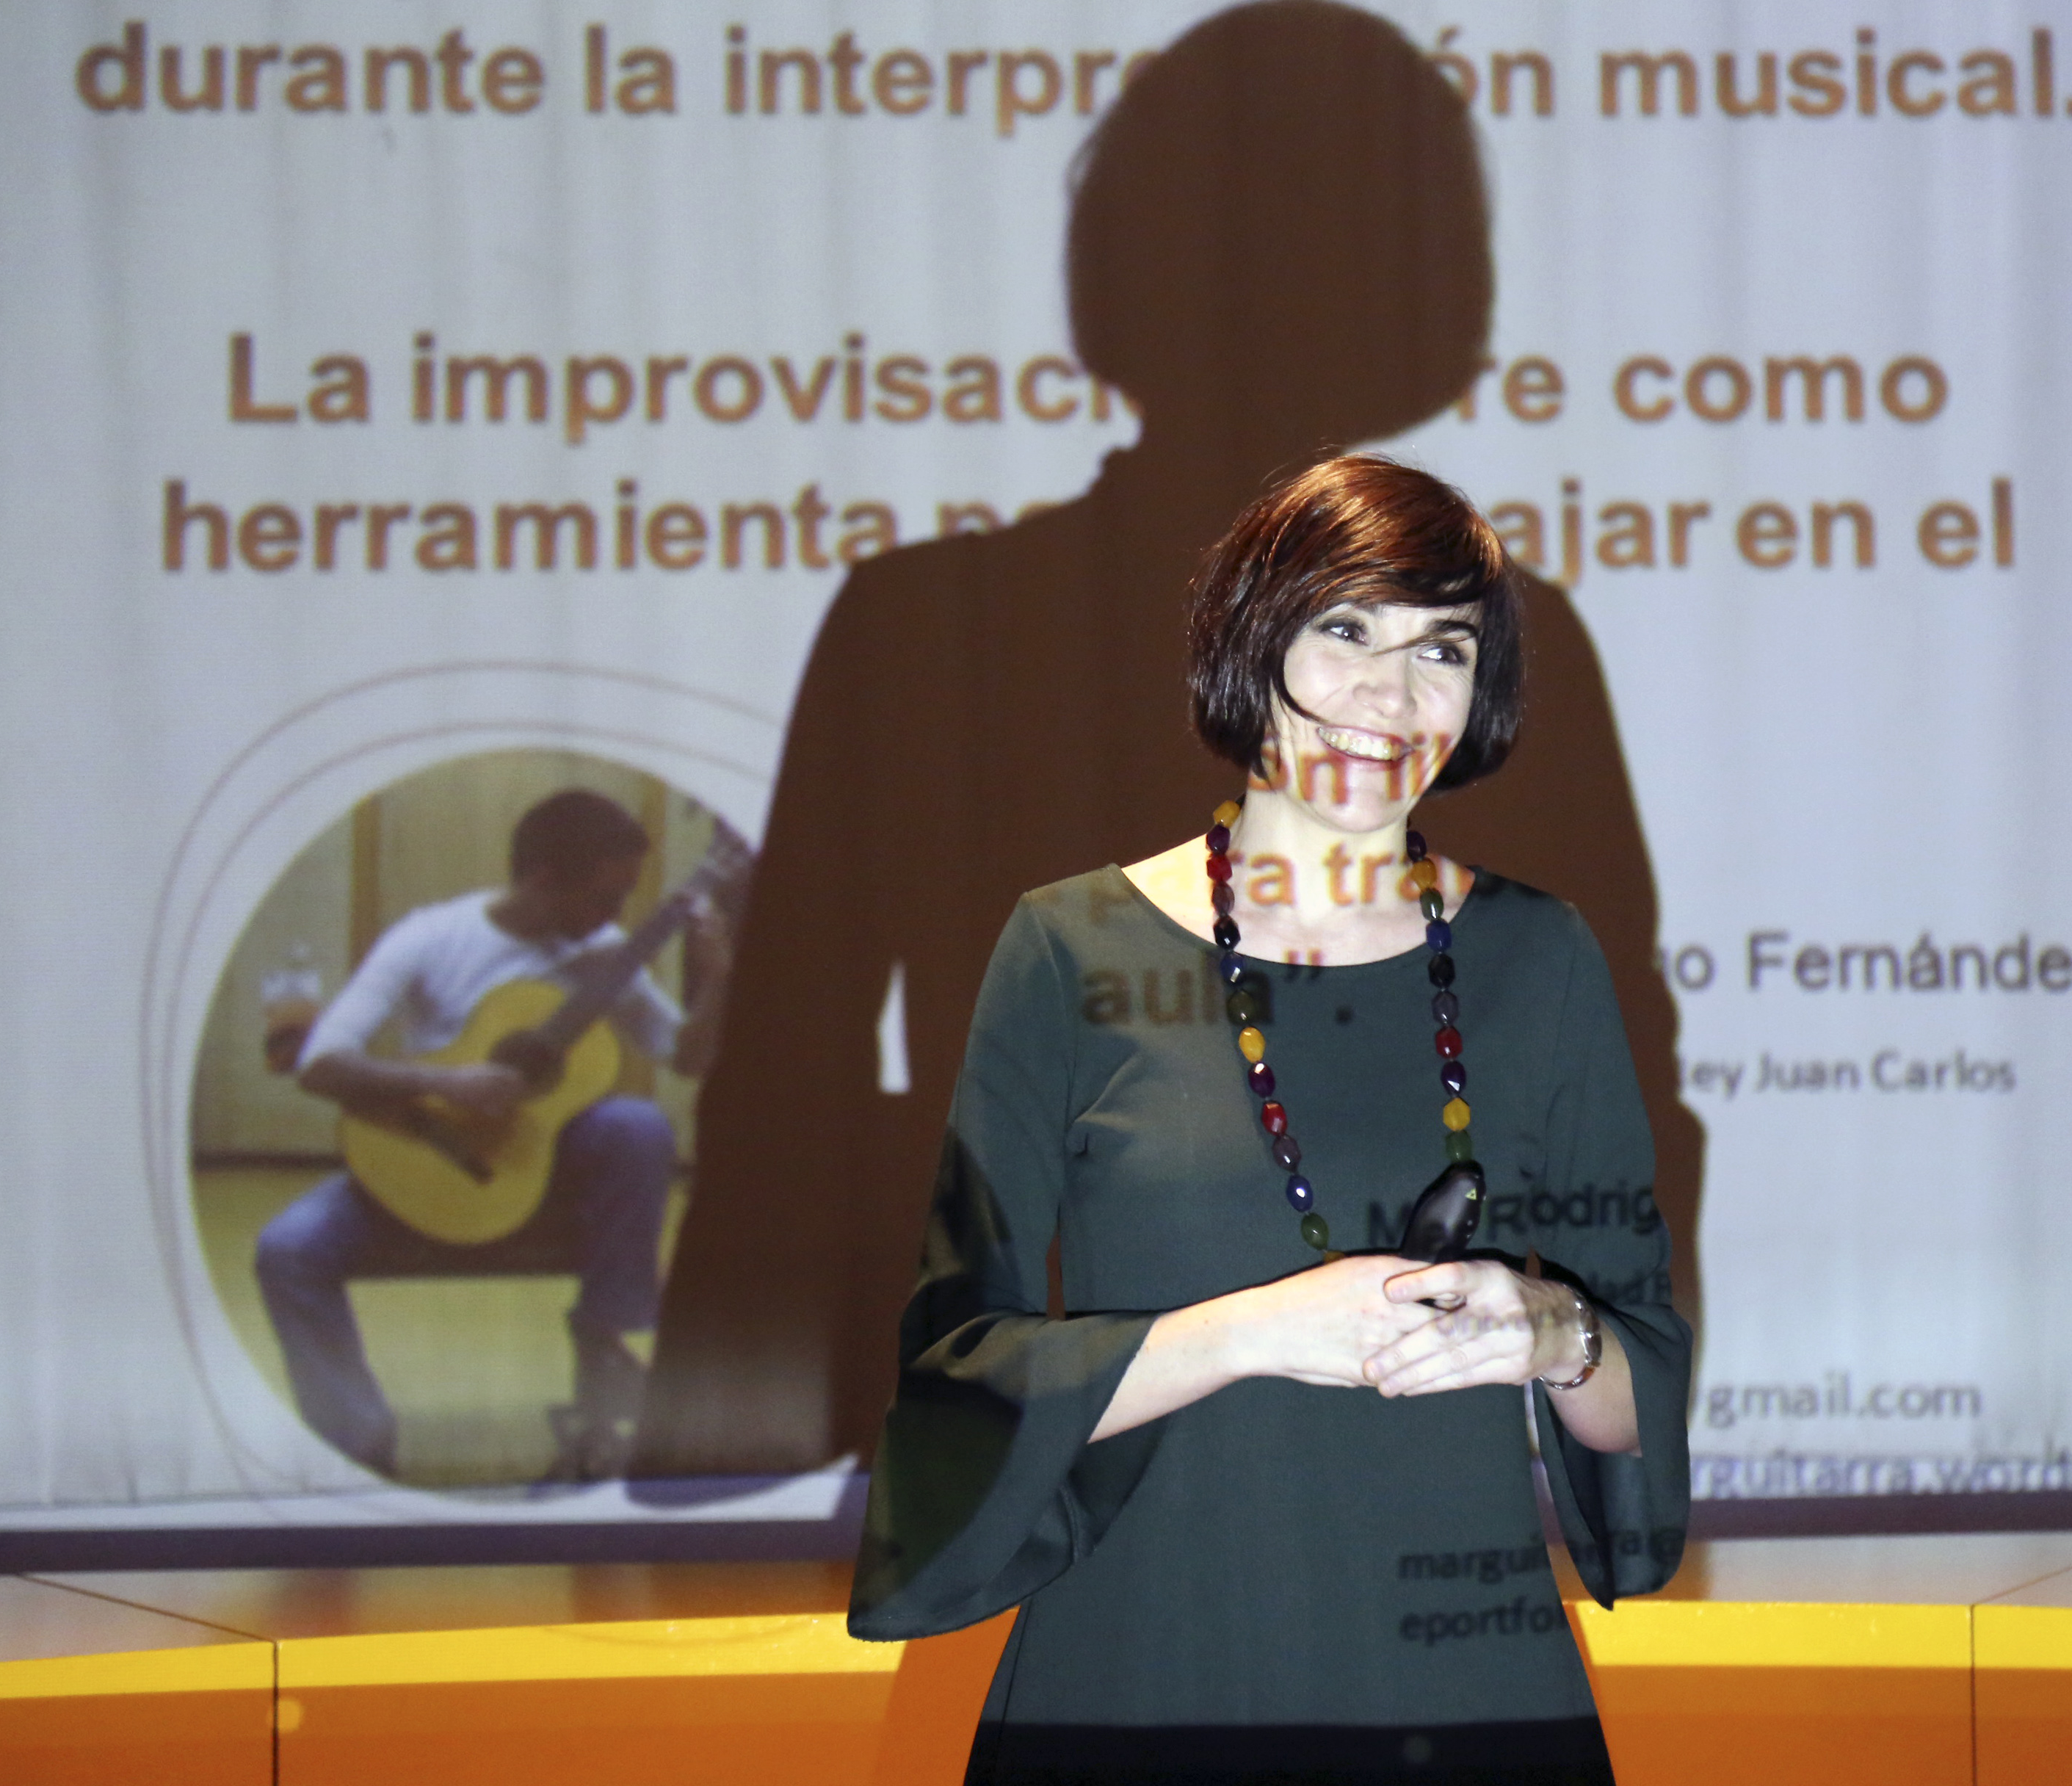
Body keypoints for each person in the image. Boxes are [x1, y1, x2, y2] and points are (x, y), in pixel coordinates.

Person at [636, 0, 1702, 1502]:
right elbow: (788, 1076)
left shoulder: (1495, 645)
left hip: (1415, 1442)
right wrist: (736, 1439)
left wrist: (1588, 1369)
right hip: (1037, 1442)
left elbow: (1612, 1099)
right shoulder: (917, 627)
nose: (1386, 691)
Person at [850, 458, 1689, 1785]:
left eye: (1442, 650)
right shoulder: (1068, 948)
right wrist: (1251, 1332)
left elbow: (1641, 1400)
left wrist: (1550, 1332)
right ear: (1252, 642)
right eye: (1345, 630)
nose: (1391, 697)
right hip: (1145, 1664)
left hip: (1462, 1670)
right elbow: (959, 1374)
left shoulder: (1543, 958)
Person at [256, 788, 733, 1481]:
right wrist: (448, 1084)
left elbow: (685, 1058)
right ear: (543, 878)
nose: (616, 917)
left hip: (541, 1176)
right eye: (605, 898)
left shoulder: (602, 953)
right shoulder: (430, 936)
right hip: (432, 1168)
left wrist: (717, 981)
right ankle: (358, 1439)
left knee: (638, 1125)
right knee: (287, 1249)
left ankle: (606, 1343)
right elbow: (319, 1065)